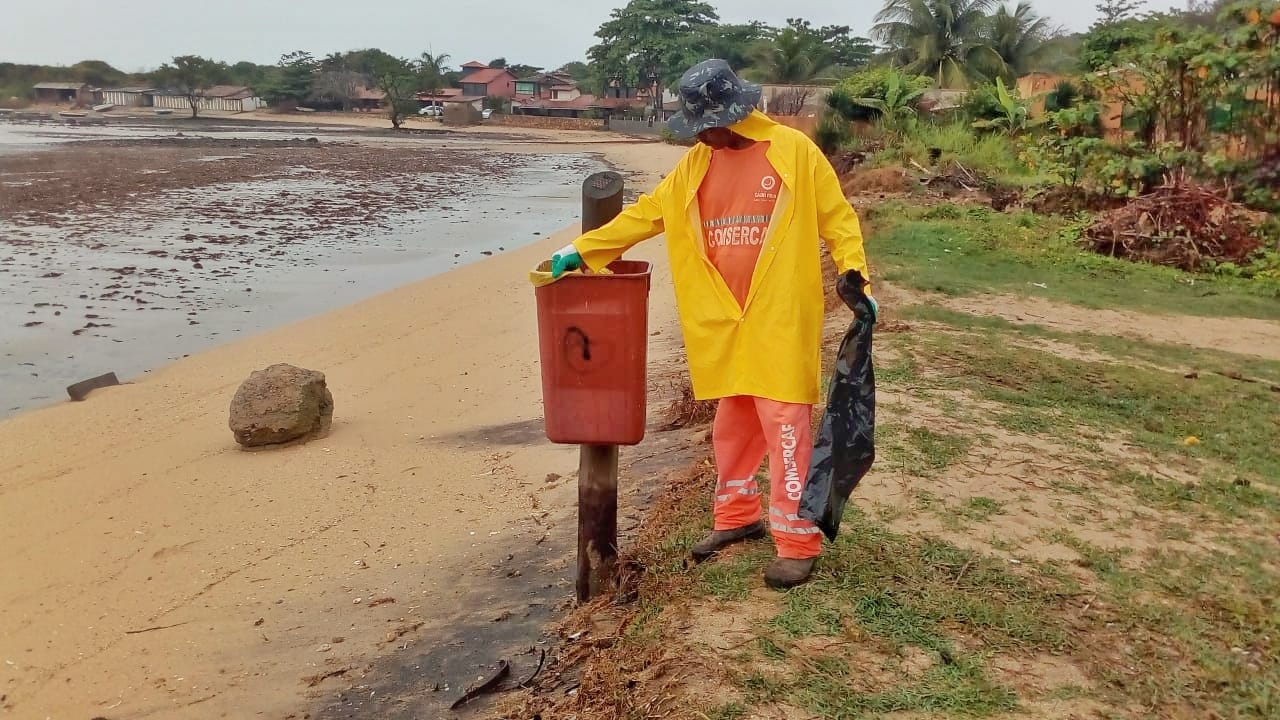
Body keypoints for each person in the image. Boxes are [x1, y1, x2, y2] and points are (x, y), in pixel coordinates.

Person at [548, 59, 875, 589]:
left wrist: (856, 274)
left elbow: (837, 217)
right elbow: (649, 212)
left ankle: (796, 540)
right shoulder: (698, 164)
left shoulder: (792, 153)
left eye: (706, 122)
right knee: (733, 421)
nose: (699, 133)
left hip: (779, 313)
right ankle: (736, 516)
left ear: (734, 113)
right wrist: (581, 250)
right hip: (724, 317)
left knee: (784, 422)